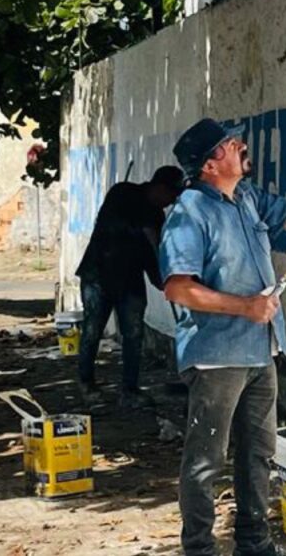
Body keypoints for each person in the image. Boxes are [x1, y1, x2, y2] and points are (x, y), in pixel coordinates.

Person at [160, 118, 286, 556]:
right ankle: (198, 548)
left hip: (260, 350)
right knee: (206, 460)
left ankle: (254, 543)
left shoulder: (247, 198)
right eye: (229, 144)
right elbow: (178, 288)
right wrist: (245, 306)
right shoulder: (189, 212)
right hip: (216, 357)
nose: (240, 146)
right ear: (210, 164)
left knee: (258, 451)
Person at [75, 164, 185, 409]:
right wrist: (143, 231)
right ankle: (86, 383)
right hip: (98, 274)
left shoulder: (158, 216)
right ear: (160, 187)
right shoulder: (123, 192)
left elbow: (153, 256)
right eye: (171, 195)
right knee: (92, 330)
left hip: (130, 280)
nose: (171, 202)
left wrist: (163, 282)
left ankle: (130, 390)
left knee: (134, 334)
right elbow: (112, 225)